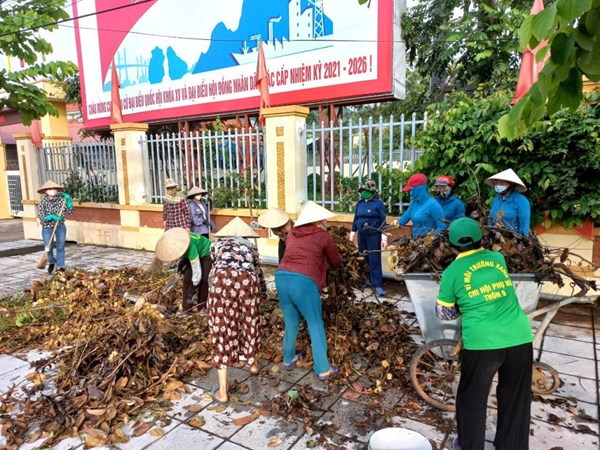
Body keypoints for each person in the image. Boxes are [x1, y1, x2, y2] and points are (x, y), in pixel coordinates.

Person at [435, 218, 533, 450]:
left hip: (482, 344)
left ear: (452, 245)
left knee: (472, 398)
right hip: (519, 336)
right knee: (515, 398)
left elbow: (445, 313)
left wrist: (462, 303)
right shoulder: (498, 259)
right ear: (481, 239)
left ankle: (469, 445)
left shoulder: (451, 272)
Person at [276, 201, 342, 381]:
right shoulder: (323, 236)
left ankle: (288, 359)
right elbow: (336, 260)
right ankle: (322, 369)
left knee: (291, 322)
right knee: (314, 322)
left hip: (281, 277)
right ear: (318, 220)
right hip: (303, 282)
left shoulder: (292, 235)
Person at [207, 217, 267, 404]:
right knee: (250, 321)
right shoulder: (250, 246)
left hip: (221, 282)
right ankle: (253, 363)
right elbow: (258, 272)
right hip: (247, 280)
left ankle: (223, 392)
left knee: (223, 328)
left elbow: (213, 270)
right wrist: (262, 295)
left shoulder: (216, 246)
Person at [154, 227, 212, 314]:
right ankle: (186, 309)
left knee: (203, 280)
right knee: (187, 280)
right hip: (192, 253)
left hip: (206, 253)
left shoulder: (190, 247)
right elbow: (181, 256)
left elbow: (196, 269)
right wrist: (180, 269)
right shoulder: (178, 244)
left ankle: (202, 308)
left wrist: (194, 285)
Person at [349, 179, 387, 297]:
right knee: (362, 257)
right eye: (363, 191)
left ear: (372, 191)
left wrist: (384, 236)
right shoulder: (360, 203)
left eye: (366, 190)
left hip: (374, 235)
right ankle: (363, 280)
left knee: (374, 259)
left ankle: (377, 284)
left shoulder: (378, 203)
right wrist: (352, 232)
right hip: (362, 234)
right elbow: (356, 218)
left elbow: (383, 220)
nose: (364, 193)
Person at [36, 180, 74, 274]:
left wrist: (69, 201)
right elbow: (41, 217)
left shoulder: (62, 201)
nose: (52, 190)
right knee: (48, 247)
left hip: (60, 227)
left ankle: (60, 266)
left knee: (60, 247)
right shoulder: (42, 203)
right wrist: (51, 217)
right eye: (50, 189)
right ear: (45, 191)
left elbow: (70, 211)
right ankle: (52, 261)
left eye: (54, 189)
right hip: (47, 228)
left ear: (57, 190)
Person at [485, 168, 531, 237]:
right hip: (495, 240)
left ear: (511, 184)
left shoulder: (521, 201)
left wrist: (522, 242)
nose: (498, 185)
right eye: (497, 183)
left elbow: (524, 226)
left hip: (512, 242)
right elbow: (491, 219)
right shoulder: (496, 200)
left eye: (502, 183)